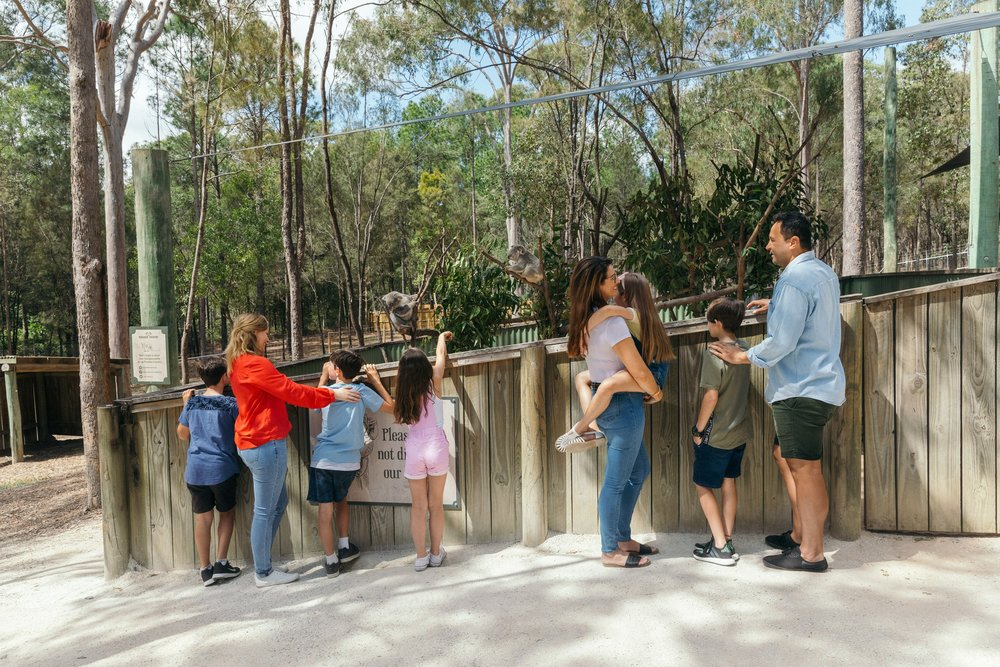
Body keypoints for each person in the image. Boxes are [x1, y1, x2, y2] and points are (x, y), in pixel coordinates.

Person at [710, 211, 845, 572]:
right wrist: (778, 305)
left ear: (793, 242)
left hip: (801, 387)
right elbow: (811, 313)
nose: (768, 246)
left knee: (806, 470)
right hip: (817, 384)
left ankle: (811, 553)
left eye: (773, 239)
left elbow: (783, 340)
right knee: (786, 456)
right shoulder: (822, 273)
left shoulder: (795, 280)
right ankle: (801, 534)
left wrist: (742, 356)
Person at [225, 314, 360, 588]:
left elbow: (279, 390)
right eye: (265, 333)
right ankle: (263, 572)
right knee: (265, 510)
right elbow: (292, 392)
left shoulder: (238, 363)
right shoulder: (255, 364)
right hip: (265, 443)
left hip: (252, 442)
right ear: (253, 333)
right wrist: (332, 394)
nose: (268, 338)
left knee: (278, 503)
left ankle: (264, 563)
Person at [567, 257, 663, 568]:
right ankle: (610, 550)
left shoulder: (592, 319)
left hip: (614, 404)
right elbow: (638, 370)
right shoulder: (612, 324)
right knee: (615, 483)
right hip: (623, 408)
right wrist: (656, 392)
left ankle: (622, 538)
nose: (615, 281)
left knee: (639, 471)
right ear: (595, 284)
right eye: (610, 278)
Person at [555, 272, 673, 452]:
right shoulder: (642, 316)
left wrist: (580, 333)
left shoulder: (633, 314)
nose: (614, 285)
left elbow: (607, 311)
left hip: (651, 373)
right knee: (581, 378)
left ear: (625, 296)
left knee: (607, 386)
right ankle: (594, 428)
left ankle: (580, 428)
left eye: (617, 287)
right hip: (645, 369)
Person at [311, 351, 394, 578]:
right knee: (342, 500)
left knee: (325, 509)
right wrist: (375, 380)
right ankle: (345, 546)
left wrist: (322, 377)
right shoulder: (361, 391)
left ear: (337, 370)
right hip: (348, 463)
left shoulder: (326, 392)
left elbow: (313, 404)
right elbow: (391, 407)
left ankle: (331, 561)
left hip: (324, 460)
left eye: (331, 365)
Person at [690, 298, 752, 567]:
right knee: (728, 482)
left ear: (717, 323)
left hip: (716, 435)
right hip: (739, 432)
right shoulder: (744, 348)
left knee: (702, 485)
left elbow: (711, 396)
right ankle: (726, 540)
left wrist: (698, 430)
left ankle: (719, 547)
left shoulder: (713, 353)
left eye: (708, 321)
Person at [176, 357, 243, 587]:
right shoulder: (230, 404)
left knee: (202, 519)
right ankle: (221, 563)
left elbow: (183, 434)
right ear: (224, 377)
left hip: (196, 470)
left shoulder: (192, 403)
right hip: (222, 468)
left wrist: (186, 405)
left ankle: (205, 569)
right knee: (227, 513)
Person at [394, 331, 453, 571]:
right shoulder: (434, 381)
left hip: (415, 449)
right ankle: (436, 554)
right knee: (436, 505)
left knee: (418, 507)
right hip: (436, 446)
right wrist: (441, 338)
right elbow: (441, 356)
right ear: (424, 368)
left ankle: (420, 557)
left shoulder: (403, 393)